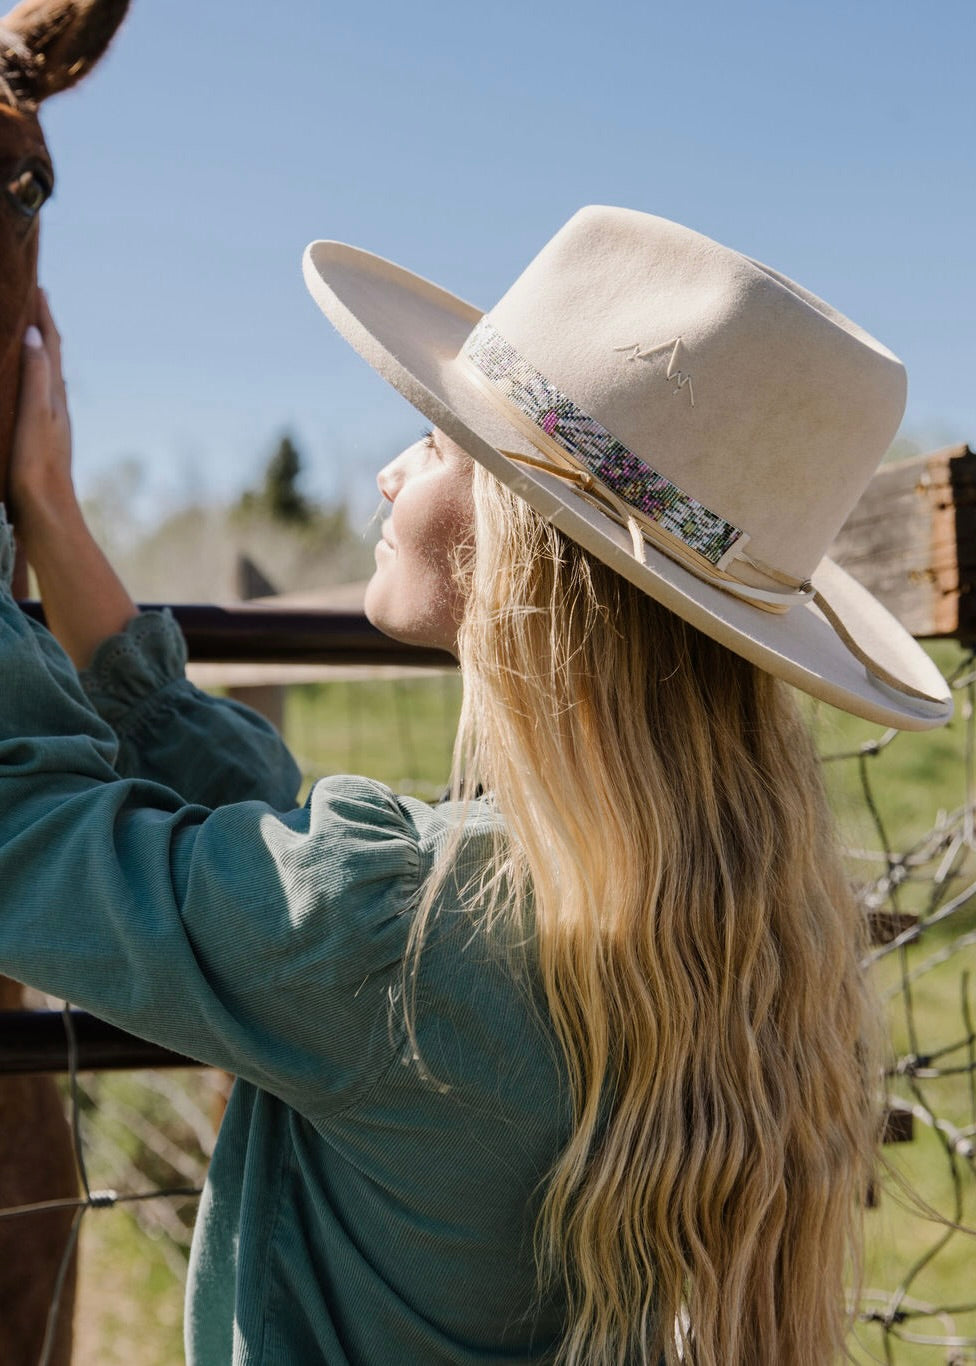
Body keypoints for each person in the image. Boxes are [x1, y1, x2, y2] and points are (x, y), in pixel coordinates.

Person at [1, 208, 952, 1366]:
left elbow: (29, 834)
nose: (393, 473)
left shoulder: (388, 935)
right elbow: (289, 869)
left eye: (443, 443)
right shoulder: (735, 941)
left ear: (523, 543)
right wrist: (51, 515)